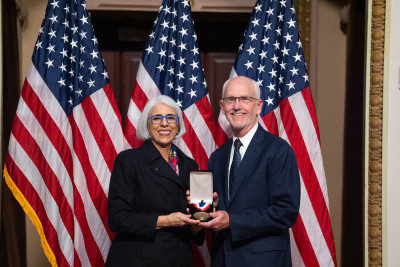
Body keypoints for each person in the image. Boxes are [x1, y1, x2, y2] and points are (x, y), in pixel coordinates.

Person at [199, 76, 301, 267]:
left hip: (263, 261)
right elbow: (220, 213)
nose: (237, 106)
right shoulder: (217, 157)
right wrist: (205, 209)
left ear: (259, 106)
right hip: (222, 259)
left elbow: (286, 212)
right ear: (222, 107)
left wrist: (233, 221)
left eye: (244, 99)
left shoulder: (278, 150)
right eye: (230, 100)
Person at [105, 95, 203, 267]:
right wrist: (167, 220)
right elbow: (117, 218)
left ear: (178, 124)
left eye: (171, 118)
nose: (164, 124)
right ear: (147, 125)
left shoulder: (190, 164)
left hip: (179, 258)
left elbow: (196, 231)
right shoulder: (129, 160)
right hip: (139, 258)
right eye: (157, 118)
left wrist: (200, 219)